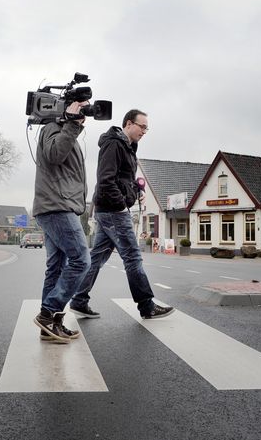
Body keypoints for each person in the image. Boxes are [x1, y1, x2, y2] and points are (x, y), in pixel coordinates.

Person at [69, 109, 174, 320]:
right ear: (128, 124)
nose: (145, 131)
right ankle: (146, 306)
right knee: (133, 257)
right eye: (142, 126)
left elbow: (124, 177)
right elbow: (106, 179)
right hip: (113, 211)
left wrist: (138, 189)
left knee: (97, 257)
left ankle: (79, 300)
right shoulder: (114, 144)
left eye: (147, 128)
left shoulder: (128, 146)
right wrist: (121, 205)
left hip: (108, 210)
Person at [32, 101, 92, 344]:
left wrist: (72, 125)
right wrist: (70, 123)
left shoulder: (67, 131)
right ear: (67, 108)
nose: (85, 113)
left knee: (56, 268)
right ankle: (47, 314)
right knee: (81, 259)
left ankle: (51, 325)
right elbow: (55, 154)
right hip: (57, 206)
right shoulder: (52, 128)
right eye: (82, 108)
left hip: (60, 205)